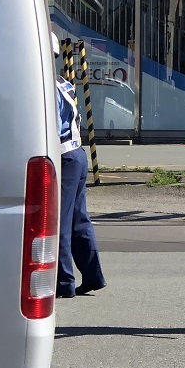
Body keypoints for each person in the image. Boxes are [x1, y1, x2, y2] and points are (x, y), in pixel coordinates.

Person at [52, 33, 107, 299]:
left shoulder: (47, 90)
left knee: (59, 222)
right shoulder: (62, 84)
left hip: (63, 156)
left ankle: (63, 283)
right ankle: (93, 276)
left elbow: (51, 129)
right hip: (77, 154)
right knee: (78, 219)